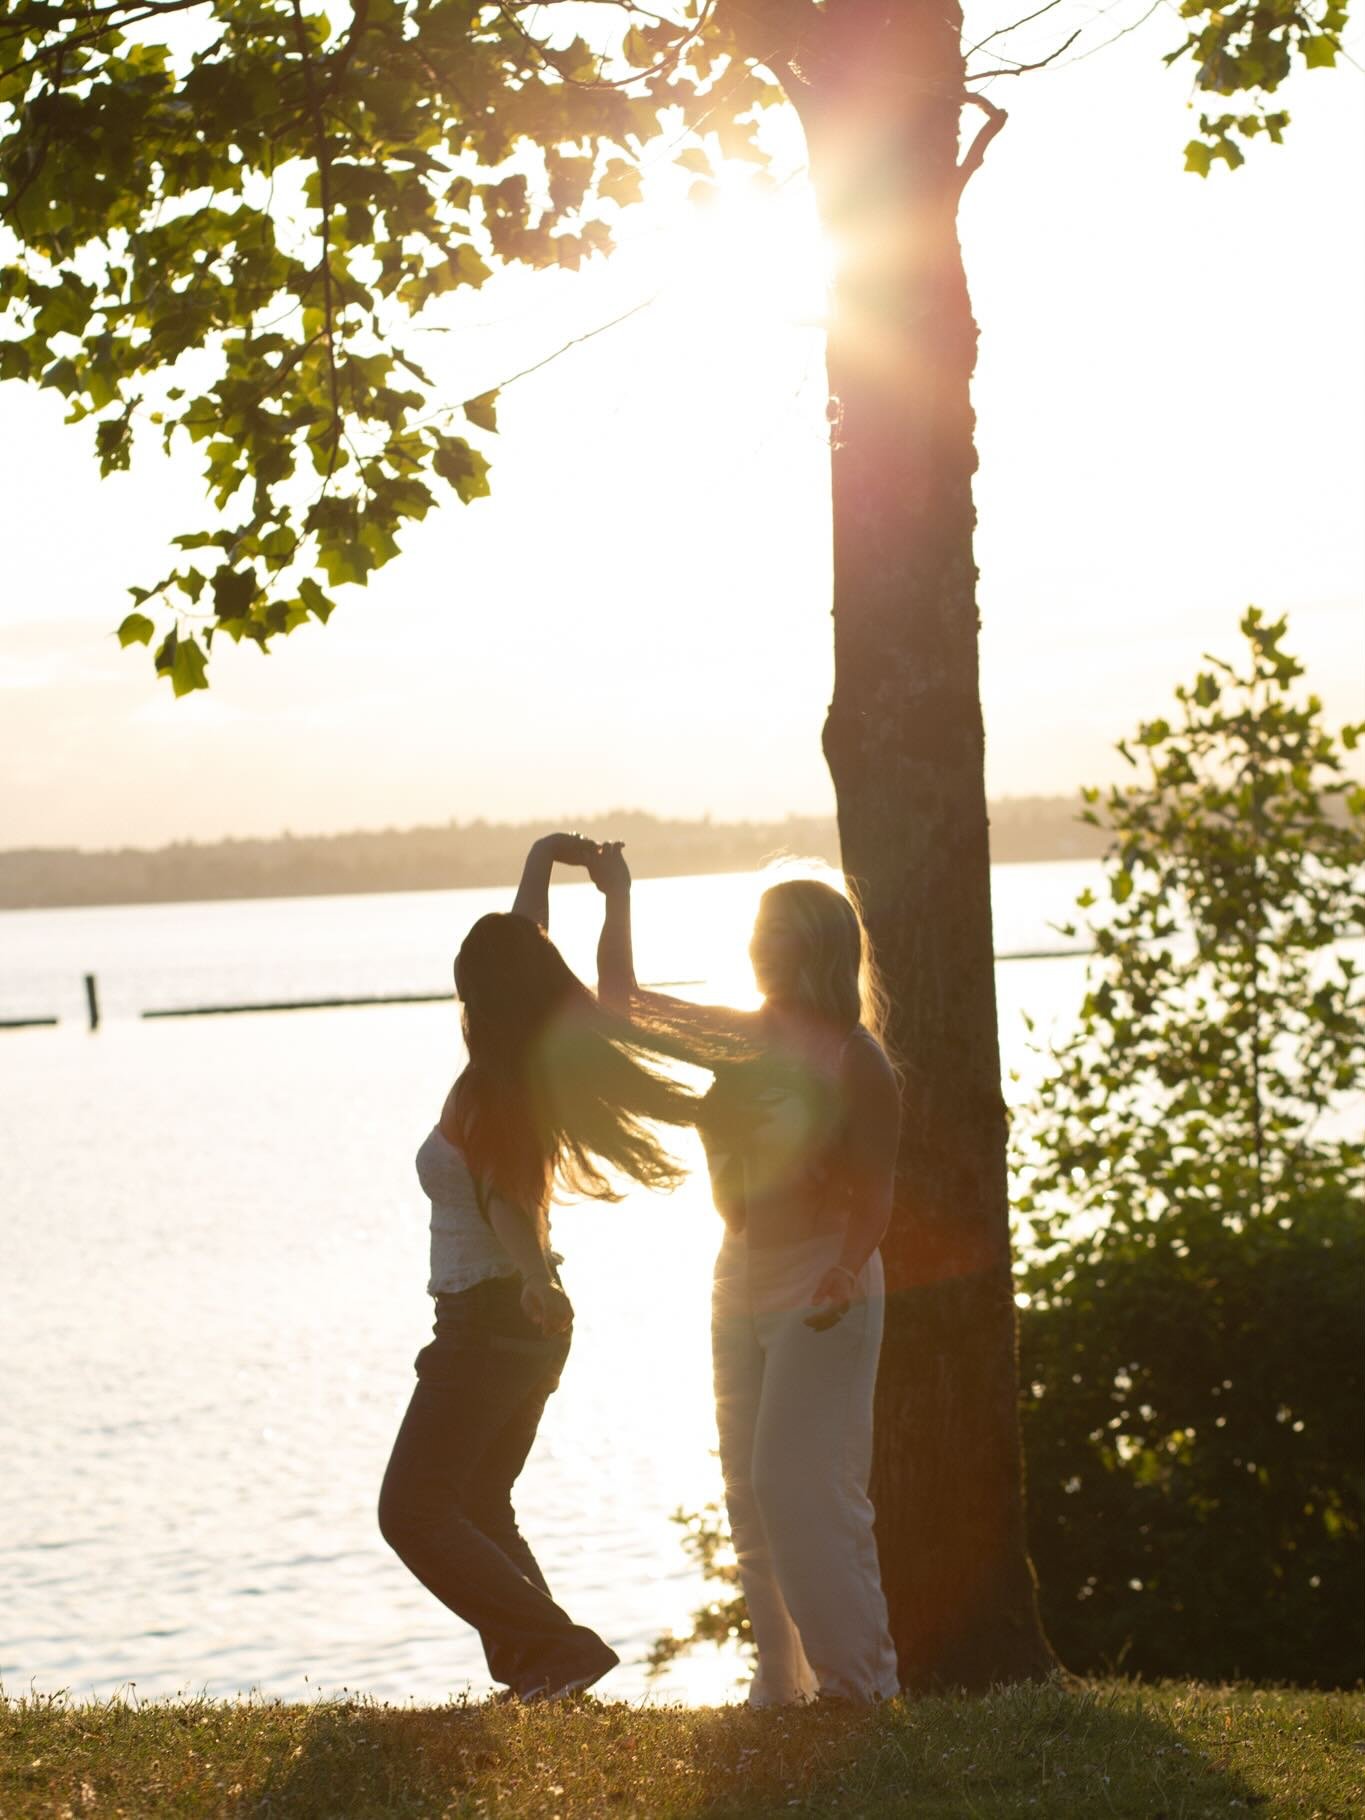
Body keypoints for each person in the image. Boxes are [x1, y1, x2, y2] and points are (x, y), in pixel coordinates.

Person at [378, 831, 698, 1704]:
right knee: (479, 1505)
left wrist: (533, 1278)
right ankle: (546, 1673)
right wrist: (545, 862)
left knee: (411, 1512)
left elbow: (506, 1202)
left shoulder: (493, 1090)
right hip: (513, 1324)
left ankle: (556, 1651)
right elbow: (524, 942)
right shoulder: (516, 1066)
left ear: (482, 997)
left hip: (494, 1315)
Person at [588, 841, 902, 1706]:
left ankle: (861, 1683)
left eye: (777, 935)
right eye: (757, 932)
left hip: (823, 1282)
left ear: (819, 947)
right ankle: (780, 1682)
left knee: (803, 1486)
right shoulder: (737, 1036)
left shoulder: (853, 1061)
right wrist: (618, 896)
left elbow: (876, 1196)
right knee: (748, 1492)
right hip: (738, 1275)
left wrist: (842, 1269)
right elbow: (620, 1006)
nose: (760, 948)